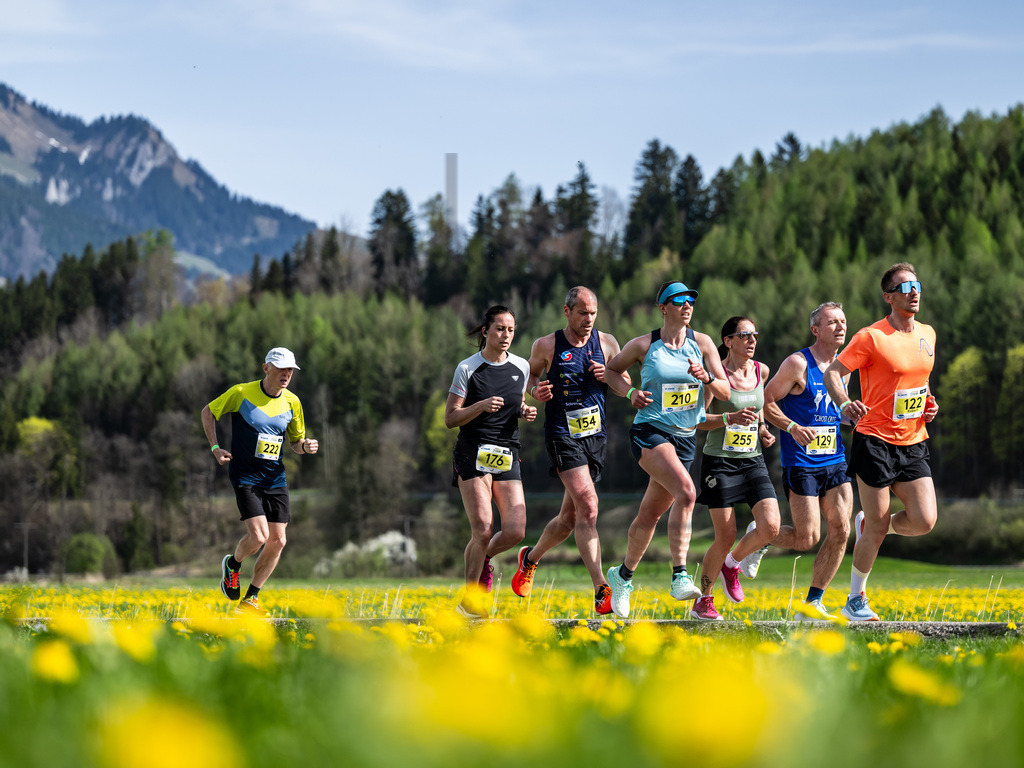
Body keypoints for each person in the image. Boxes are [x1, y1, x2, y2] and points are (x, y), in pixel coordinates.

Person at [602, 281, 730, 619]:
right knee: (687, 492)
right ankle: (679, 575)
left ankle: (622, 576)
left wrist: (706, 377)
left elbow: (725, 391)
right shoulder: (644, 345)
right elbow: (612, 372)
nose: (687, 306)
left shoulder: (703, 343)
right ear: (663, 308)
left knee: (650, 515)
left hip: (685, 439)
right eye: (679, 301)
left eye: (691, 301)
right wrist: (630, 393)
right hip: (650, 432)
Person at [824, 263, 938, 622]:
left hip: (914, 439)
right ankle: (855, 599)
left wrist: (929, 403)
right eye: (904, 287)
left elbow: (920, 381)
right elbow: (833, 373)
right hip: (874, 440)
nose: (913, 292)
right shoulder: (871, 337)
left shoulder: (928, 334)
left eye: (916, 285)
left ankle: (873, 525)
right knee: (876, 522)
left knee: (924, 520)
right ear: (889, 297)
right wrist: (844, 403)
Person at [511, 286, 626, 615]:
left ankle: (530, 558)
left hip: (595, 437)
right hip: (562, 435)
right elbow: (529, 377)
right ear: (567, 311)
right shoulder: (547, 345)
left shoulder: (608, 343)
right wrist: (536, 390)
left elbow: (623, 384)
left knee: (569, 518)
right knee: (589, 507)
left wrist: (610, 376)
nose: (589, 319)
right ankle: (601, 588)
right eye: (582, 313)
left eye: (593, 313)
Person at [202, 347, 319, 617]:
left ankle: (251, 599)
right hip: (245, 475)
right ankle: (233, 564)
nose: (286, 374)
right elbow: (208, 412)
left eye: (290, 370)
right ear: (266, 368)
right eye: (280, 369)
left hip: (275, 477)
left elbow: (295, 442)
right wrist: (215, 448)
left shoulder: (292, 402)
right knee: (259, 536)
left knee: (278, 541)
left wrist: (305, 446)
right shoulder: (241, 393)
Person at [760, 302, 853, 622]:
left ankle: (813, 602)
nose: (840, 327)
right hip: (801, 461)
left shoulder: (845, 366)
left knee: (842, 529)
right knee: (807, 538)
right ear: (815, 330)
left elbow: (837, 411)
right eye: (832, 322)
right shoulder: (798, 364)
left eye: (843, 321)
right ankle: (760, 533)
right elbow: (766, 400)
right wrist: (791, 427)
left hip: (835, 460)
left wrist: (854, 416)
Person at [445, 305, 537, 619]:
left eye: (510, 330)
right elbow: (450, 418)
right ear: (486, 331)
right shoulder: (468, 368)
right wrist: (480, 405)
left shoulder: (521, 366)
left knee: (515, 531)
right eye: (499, 329)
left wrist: (524, 411)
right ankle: (470, 602)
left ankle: (483, 559)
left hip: (506, 453)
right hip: (472, 454)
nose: (505, 335)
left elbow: (517, 402)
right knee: (483, 529)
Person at [691, 317, 779, 620]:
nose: (752, 340)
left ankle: (732, 564)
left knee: (770, 526)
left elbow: (759, 409)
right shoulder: (717, 376)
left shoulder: (761, 370)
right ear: (728, 341)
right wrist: (729, 419)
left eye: (755, 334)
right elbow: (697, 420)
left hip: (753, 460)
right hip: (720, 462)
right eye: (744, 335)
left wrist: (763, 429)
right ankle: (704, 599)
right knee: (725, 535)